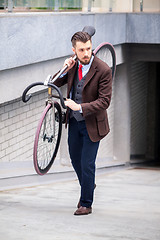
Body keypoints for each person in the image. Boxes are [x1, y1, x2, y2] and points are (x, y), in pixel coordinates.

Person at [53, 31, 112, 215]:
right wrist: (63, 67)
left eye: (88, 48)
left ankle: (86, 203)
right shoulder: (72, 66)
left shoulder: (103, 69)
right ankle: (88, 185)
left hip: (93, 124)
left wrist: (79, 107)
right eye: (81, 50)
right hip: (74, 122)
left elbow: (105, 101)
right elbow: (55, 82)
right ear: (74, 50)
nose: (86, 53)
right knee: (75, 159)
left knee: (87, 164)